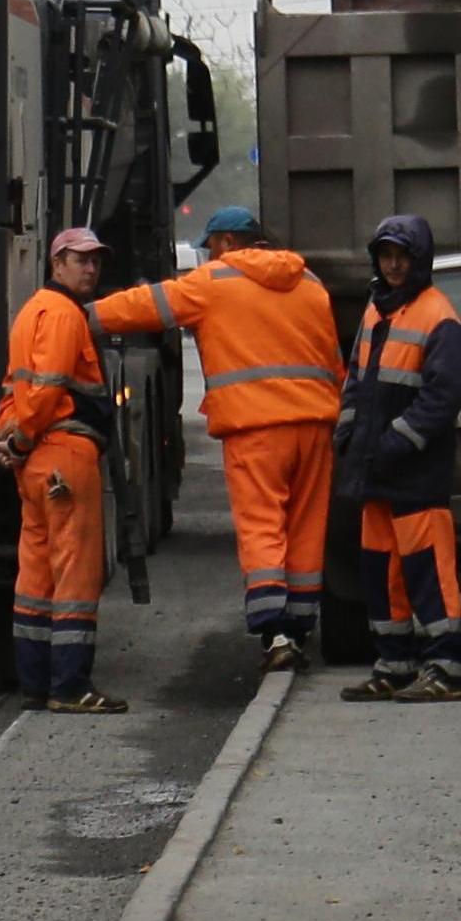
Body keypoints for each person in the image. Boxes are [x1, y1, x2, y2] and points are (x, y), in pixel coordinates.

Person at [91, 206, 341, 672]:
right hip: (315, 424)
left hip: (256, 429)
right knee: (306, 524)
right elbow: (332, 360)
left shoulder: (215, 283)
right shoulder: (309, 284)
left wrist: (82, 315)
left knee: (262, 524)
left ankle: (275, 632)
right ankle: (301, 626)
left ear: (226, 242)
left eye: (211, 247)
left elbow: (144, 307)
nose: (208, 256)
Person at [334, 214, 461, 703]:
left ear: (419, 260)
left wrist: (395, 441)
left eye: (401, 255)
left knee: (428, 571)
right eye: (385, 255)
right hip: (376, 471)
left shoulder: (438, 316)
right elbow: (354, 379)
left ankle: (446, 671)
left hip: (414, 474)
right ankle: (393, 665)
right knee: (382, 571)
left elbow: (445, 394)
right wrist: (348, 430)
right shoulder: (378, 310)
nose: (393, 264)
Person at [0, 228, 127, 714]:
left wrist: (11, 441)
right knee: (74, 575)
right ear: (57, 265)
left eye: (96, 261)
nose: (91, 269)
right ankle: (70, 686)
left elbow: (16, 389)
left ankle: (35, 683)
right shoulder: (66, 315)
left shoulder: (31, 311)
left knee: (35, 575)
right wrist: (23, 438)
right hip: (65, 455)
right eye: (81, 261)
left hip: (36, 465)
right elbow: (48, 389)